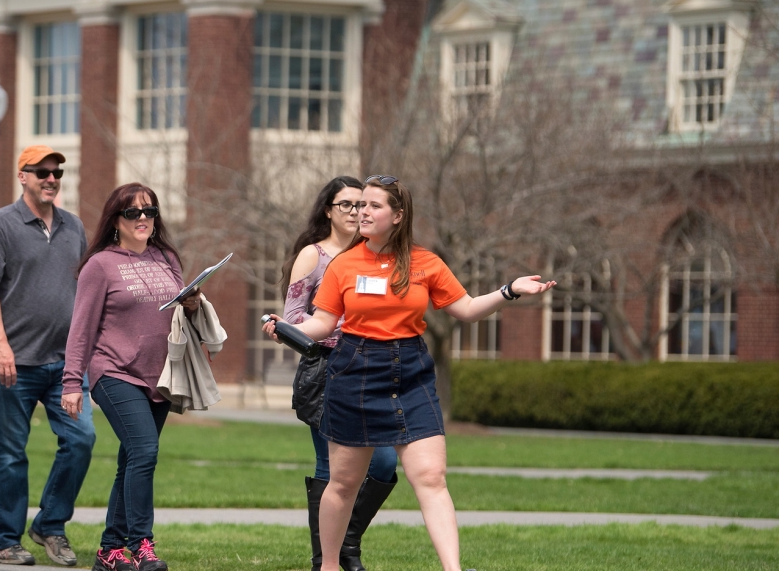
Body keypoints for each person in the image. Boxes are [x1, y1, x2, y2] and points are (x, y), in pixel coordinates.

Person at [262, 175, 556, 571]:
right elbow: (323, 323)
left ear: (398, 216)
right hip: (355, 372)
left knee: (431, 477)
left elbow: (466, 308)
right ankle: (329, 565)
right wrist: (286, 329)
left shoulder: (425, 263)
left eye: (373, 206)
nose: (362, 212)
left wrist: (510, 291)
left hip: (410, 372)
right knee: (344, 484)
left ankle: (453, 569)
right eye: (359, 205)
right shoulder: (345, 264)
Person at [61, 183, 199, 571]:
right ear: (116, 220)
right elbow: (81, 329)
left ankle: (109, 549)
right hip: (114, 371)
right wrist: (72, 383)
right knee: (144, 452)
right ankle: (142, 544)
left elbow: (173, 316)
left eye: (149, 212)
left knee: (132, 459)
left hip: (160, 376)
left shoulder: (166, 258)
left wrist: (191, 305)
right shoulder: (100, 265)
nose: (142, 219)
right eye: (133, 212)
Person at [0, 145, 95, 566]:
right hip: (14, 362)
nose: (51, 177)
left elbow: (83, 290)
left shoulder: (73, 226)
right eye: (41, 171)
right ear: (22, 176)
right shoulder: (0, 225)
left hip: (64, 363)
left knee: (82, 439)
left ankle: (49, 525)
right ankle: (4, 541)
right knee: (10, 452)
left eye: (57, 171)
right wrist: (0, 344)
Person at [280, 177, 400, 571]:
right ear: (328, 210)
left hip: (373, 369)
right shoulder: (313, 256)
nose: (355, 212)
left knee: (383, 465)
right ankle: (328, 560)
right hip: (326, 369)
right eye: (346, 204)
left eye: (361, 204)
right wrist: (345, 323)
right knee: (329, 469)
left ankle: (345, 542)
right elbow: (294, 321)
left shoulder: (375, 255)